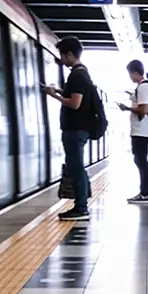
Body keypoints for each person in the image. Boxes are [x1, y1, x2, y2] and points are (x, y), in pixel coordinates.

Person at [43, 36, 93, 221]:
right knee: (76, 166)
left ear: (69, 54)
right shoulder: (82, 73)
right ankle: (81, 205)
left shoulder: (77, 74)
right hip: (77, 129)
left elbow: (75, 103)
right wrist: (58, 91)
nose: (61, 59)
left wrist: (52, 96)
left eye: (62, 55)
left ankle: (81, 208)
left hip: (75, 129)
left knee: (76, 167)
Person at [120, 60, 148, 204]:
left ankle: (145, 193)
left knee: (141, 161)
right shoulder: (146, 86)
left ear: (135, 72)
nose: (130, 77)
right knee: (141, 160)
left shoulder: (142, 87)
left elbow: (144, 109)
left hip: (142, 131)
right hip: (144, 130)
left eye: (130, 74)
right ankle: (144, 192)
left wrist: (127, 108)